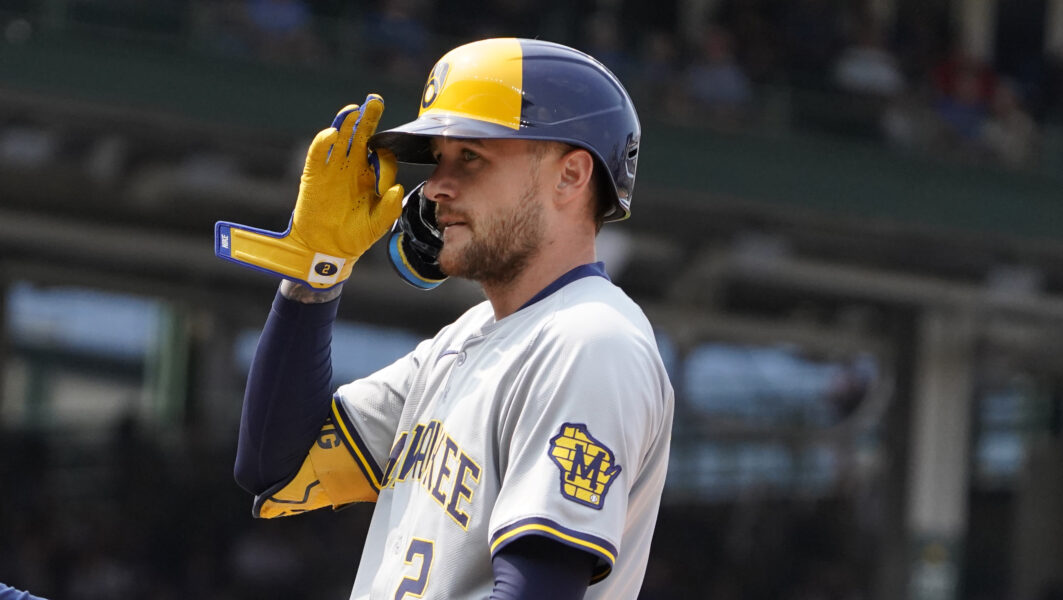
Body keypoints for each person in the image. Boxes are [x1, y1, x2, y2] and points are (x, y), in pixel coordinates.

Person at [215, 38, 674, 599]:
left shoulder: (590, 340)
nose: (434, 187)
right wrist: (316, 275)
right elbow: (274, 467)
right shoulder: (462, 341)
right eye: (438, 159)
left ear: (571, 176)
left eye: (471, 157)